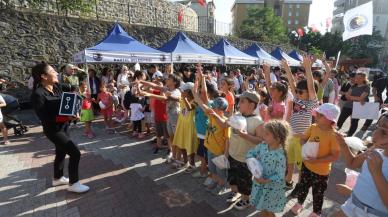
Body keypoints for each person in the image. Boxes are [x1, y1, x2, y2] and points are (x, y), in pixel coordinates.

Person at [30, 62, 89, 193]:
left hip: (64, 127)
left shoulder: (57, 87)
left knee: (61, 152)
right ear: (44, 76)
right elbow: (44, 117)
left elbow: (74, 88)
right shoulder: (38, 94)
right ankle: (74, 183)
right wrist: (66, 117)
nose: (57, 73)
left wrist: (75, 110)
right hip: (53, 130)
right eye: (53, 71)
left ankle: (58, 178)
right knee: (75, 153)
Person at [331, 113, 388, 217]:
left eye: (384, 132)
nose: (375, 135)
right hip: (352, 205)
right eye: (377, 127)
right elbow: (352, 163)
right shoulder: (375, 149)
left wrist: (377, 174)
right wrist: (342, 144)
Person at [290, 103, 341, 216]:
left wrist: (317, 160)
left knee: (318, 193)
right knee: (303, 186)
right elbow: (303, 139)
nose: (316, 116)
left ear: (329, 119)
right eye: (316, 114)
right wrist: (304, 146)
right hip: (307, 165)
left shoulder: (334, 135)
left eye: (319, 115)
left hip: (321, 172)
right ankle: (299, 203)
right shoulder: (313, 127)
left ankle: (316, 212)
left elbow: (335, 156)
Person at [282, 57, 319, 190]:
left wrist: (308, 68)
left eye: (300, 92)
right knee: (290, 160)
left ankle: (300, 185)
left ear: (309, 93)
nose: (297, 93)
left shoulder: (311, 103)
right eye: (296, 92)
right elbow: (292, 83)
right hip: (292, 136)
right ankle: (288, 180)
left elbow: (311, 87)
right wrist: (287, 68)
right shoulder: (297, 100)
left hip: (302, 139)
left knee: (301, 165)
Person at [225, 91, 264, 210]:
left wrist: (245, 136)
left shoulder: (257, 121)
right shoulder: (238, 115)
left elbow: (260, 140)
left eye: (242, 101)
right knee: (233, 177)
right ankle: (235, 192)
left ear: (252, 105)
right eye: (239, 100)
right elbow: (226, 126)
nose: (239, 103)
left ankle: (245, 199)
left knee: (245, 180)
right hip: (233, 154)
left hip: (245, 159)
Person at [247, 120, 291, 217]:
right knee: (262, 206)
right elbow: (251, 153)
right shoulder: (262, 146)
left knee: (269, 210)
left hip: (272, 188)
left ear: (278, 138)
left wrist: (265, 180)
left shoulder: (280, 155)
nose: (263, 136)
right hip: (260, 182)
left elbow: (280, 175)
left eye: (267, 134)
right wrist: (252, 161)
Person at [337, 69, 372, 136]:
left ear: (364, 78)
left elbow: (361, 98)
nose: (357, 79)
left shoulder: (366, 87)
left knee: (354, 122)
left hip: (358, 107)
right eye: (357, 78)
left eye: (360, 78)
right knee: (340, 120)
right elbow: (347, 95)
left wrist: (351, 97)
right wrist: (355, 98)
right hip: (347, 106)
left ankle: (349, 136)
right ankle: (335, 133)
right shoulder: (354, 85)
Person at [172, 82, 197, 171]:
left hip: (190, 126)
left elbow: (190, 108)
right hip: (181, 124)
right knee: (181, 144)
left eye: (184, 90)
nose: (181, 92)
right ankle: (185, 162)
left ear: (189, 92)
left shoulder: (195, 101)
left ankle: (193, 164)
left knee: (190, 146)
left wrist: (185, 98)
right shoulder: (182, 99)